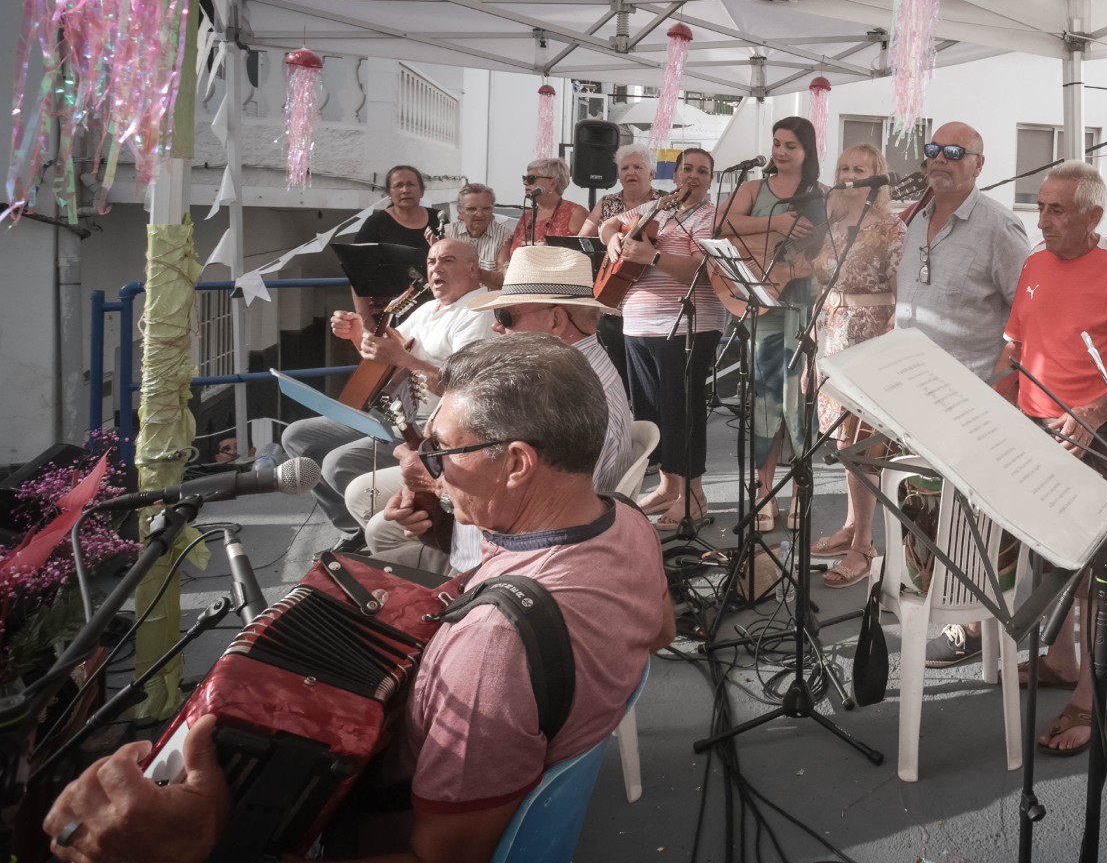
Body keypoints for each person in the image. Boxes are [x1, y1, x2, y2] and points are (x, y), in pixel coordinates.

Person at [44, 335, 673, 863]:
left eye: (442, 450)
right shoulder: (625, 520)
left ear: (516, 464)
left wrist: (201, 846)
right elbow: (661, 631)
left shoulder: (493, 648)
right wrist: (456, 521)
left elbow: (443, 857)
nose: (429, 467)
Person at [995, 161, 1107, 757]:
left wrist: (1092, 413)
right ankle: (1062, 660)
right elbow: (1014, 348)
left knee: (1099, 571)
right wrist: (986, 412)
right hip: (1029, 429)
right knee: (1044, 558)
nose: (1042, 221)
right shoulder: (1034, 264)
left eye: (1057, 210)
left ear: (1093, 216)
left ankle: (1091, 697)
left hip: (1095, 436)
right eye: (1040, 207)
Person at [348, 245, 637, 574]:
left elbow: (543, 511)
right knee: (381, 535)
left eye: (506, 316)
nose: (497, 327)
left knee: (369, 566)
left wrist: (435, 485)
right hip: (511, 550)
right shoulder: (561, 376)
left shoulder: (566, 394)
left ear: (556, 320)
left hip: (508, 568)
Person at [892, 121, 1031, 667]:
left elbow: (1028, 313)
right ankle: (933, 600)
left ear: (978, 163)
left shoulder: (1000, 227)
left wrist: (1001, 390)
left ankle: (970, 624)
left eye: (955, 152)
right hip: (913, 397)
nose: (940, 159)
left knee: (967, 518)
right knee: (919, 507)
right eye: (933, 151)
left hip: (973, 400)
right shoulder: (916, 219)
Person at [285, 237, 490, 552]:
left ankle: (396, 538)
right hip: (388, 412)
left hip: (424, 427)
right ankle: (354, 529)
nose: (436, 268)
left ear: (473, 268)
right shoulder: (428, 309)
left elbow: (461, 390)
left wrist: (404, 359)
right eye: (431, 262)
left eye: (447, 260)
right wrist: (357, 334)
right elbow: (385, 358)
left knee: (337, 463)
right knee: (297, 436)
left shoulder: (477, 312)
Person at [599, 147, 724, 528]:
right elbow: (609, 224)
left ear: (710, 179)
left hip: (687, 327)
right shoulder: (660, 207)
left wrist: (650, 257)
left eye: (703, 171)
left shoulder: (710, 216)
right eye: (688, 168)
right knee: (653, 411)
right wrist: (613, 242)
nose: (694, 176)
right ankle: (670, 486)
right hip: (637, 325)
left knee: (682, 412)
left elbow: (700, 270)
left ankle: (695, 496)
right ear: (675, 173)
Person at [713, 117, 825, 532]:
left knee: (798, 405)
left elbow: (828, 250)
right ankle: (763, 494)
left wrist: (799, 269)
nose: (780, 152)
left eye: (790, 146)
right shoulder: (752, 189)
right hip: (760, 308)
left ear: (806, 151)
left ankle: (799, 491)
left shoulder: (820, 197)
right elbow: (721, 226)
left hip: (800, 306)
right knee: (763, 402)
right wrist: (773, 224)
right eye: (776, 143)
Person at [807, 143, 906, 588]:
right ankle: (850, 525)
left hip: (868, 343)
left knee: (863, 447)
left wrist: (887, 347)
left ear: (876, 177)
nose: (848, 175)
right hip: (831, 337)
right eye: (844, 167)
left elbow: (903, 301)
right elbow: (821, 287)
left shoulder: (890, 228)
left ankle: (864, 545)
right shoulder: (832, 225)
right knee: (845, 445)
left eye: (859, 169)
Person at [350, 165, 444, 320]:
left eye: (411, 184)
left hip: (434, 309)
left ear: (422, 190)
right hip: (390, 313)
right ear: (389, 192)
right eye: (398, 185)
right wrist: (364, 319)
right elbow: (358, 274)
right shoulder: (375, 224)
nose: (405, 190)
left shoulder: (438, 219)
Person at [504, 156, 588, 257]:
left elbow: (584, 256)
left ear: (553, 183)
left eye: (531, 179)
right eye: (524, 178)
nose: (525, 183)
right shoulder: (527, 216)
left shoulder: (575, 213)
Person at [451, 183, 514, 290]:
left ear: (492, 209)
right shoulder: (449, 234)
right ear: (460, 212)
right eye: (471, 209)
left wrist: (477, 272)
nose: (479, 214)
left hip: (489, 302)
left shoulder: (504, 236)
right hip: (457, 300)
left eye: (486, 208)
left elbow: (505, 279)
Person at [583, 146, 656, 233]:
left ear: (651, 174)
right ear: (619, 175)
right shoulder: (605, 203)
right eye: (624, 168)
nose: (630, 172)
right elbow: (582, 240)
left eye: (637, 167)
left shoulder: (666, 202)